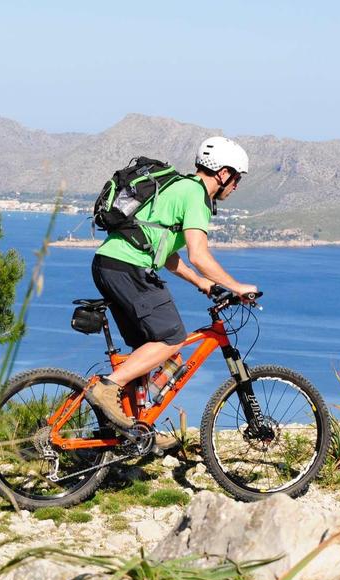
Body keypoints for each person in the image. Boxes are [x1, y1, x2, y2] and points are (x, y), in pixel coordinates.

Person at [88, 136, 258, 450]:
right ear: (221, 173)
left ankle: (136, 428)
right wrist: (238, 287)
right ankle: (108, 388)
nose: (236, 184)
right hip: (127, 268)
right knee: (173, 337)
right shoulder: (194, 194)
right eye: (236, 176)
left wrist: (200, 282)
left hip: (112, 264)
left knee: (157, 347)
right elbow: (199, 254)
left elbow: (165, 252)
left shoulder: (178, 187)